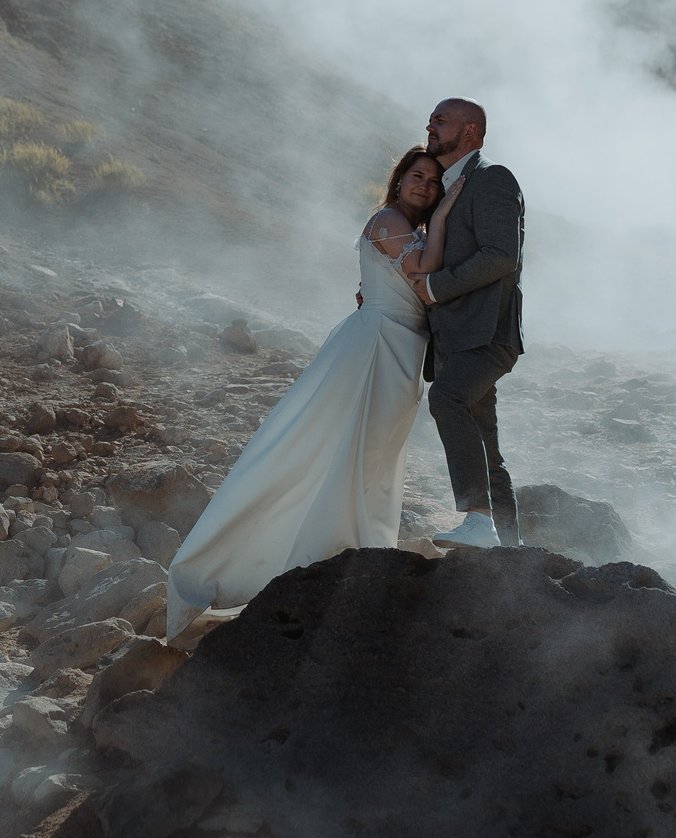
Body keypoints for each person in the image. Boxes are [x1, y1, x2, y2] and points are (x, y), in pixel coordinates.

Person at [165, 147, 461, 639]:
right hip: (372, 347)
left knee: (375, 457)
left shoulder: (415, 229)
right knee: (339, 449)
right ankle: (296, 560)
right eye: (417, 176)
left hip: (402, 353)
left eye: (434, 182)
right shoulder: (388, 219)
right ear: (399, 179)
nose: (425, 187)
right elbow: (425, 272)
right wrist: (449, 210)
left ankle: (353, 552)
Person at [414, 97, 524, 550]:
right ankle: (510, 550)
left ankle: (478, 519)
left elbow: (502, 255)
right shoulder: (447, 187)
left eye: (441, 119)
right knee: (488, 449)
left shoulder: (492, 178)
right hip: (456, 340)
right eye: (431, 119)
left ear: (471, 131)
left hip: (487, 333)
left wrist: (437, 287)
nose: (430, 124)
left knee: (447, 397)